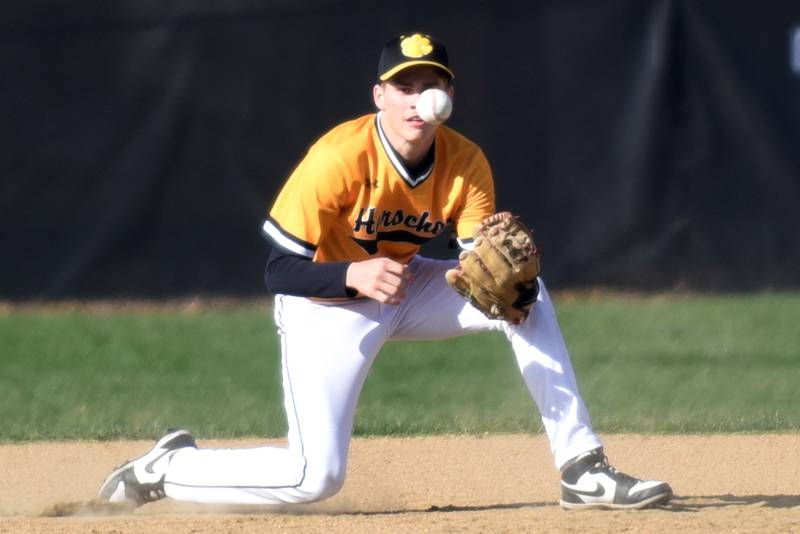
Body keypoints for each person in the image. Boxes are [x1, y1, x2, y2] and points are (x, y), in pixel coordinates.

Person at [98, 32, 672, 511]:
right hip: (323, 306)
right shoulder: (337, 158)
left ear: (450, 95)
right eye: (405, 86)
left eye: (432, 84)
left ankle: (581, 466)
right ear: (380, 96)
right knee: (312, 479)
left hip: (410, 284)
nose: (419, 99)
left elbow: (478, 263)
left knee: (526, 294)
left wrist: (500, 286)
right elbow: (279, 270)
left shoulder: (465, 161)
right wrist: (352, 276)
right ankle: (168, 467)